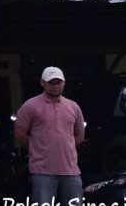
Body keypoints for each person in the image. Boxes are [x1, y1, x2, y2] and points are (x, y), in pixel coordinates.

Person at [14, 66, 85, 206]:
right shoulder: (30, 106)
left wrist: (66, 146)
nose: (56, 86)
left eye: (59, 82)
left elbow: (80, 135)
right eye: (52, 82)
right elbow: (19, 134)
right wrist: (38, 147)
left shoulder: (73, 106)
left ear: (64, 82)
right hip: (42, 171)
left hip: (71, 171)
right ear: (42, 82)